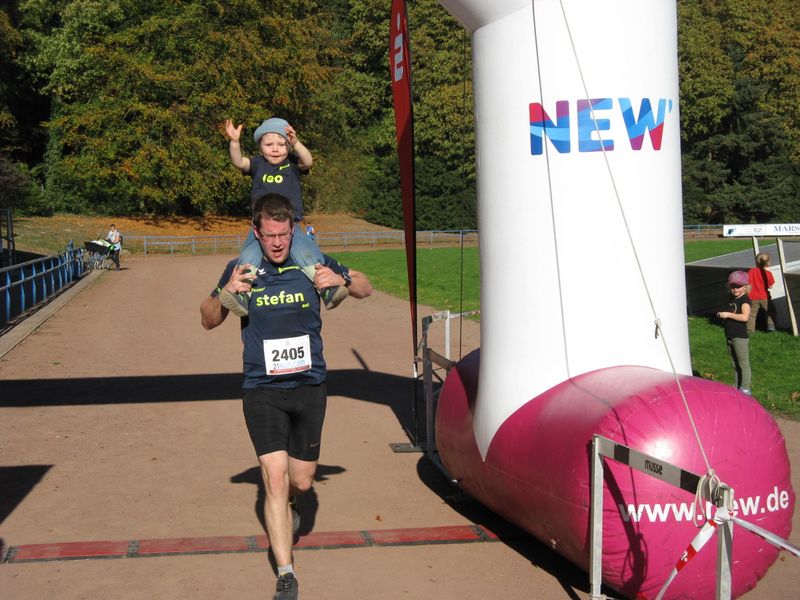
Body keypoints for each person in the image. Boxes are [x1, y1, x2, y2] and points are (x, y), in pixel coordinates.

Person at [200, 193, 372, 600]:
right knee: (274, 478)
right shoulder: (243, 269)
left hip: (309, 386)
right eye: (269, 235)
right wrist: (225, 291)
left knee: (302, 481)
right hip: (261, 388)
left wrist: (343, 281)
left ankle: (294, 502)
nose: (277, 243)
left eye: (283, 234)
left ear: (292, 230)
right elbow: (207, 319)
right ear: (256, 233)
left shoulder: (310, 263)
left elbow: (366, 287)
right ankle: (286, 573)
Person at [223, 117, 346, 317]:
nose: (275, 149)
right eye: (269, 144)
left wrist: (296, 143)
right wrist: (234, 142)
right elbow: (238, 162)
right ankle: (243, 295)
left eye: (281, 144)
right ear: (260, 146)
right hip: (262, 227)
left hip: (290, 225)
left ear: (288, 146)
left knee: (307, 252)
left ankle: (327, 289)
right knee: (248, 256)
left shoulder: (293, 163)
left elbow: (308, 161)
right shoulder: (257, 164)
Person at [717, 270, 752, 395]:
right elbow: (730, 313)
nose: (735, 289)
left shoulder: (745, 300)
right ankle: (737, 386)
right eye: (733, 286)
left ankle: (745, 388)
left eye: (738, 286)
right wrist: (722, 315)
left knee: (743, 363)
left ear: (745, 287)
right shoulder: (732, 299)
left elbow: (745, 317)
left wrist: (728, 315)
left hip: (740, 337)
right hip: (730, 335)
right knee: (734, 363)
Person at [747, 252, 776, 333]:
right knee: (769, 311)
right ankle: (771, 326)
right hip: (764, 297)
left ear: (756, 262)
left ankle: (749, 330)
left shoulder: (751, 271)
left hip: (752, 297)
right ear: (768, 263)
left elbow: (747, 282)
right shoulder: (768, 274)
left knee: (752, 314)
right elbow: (770, 286)